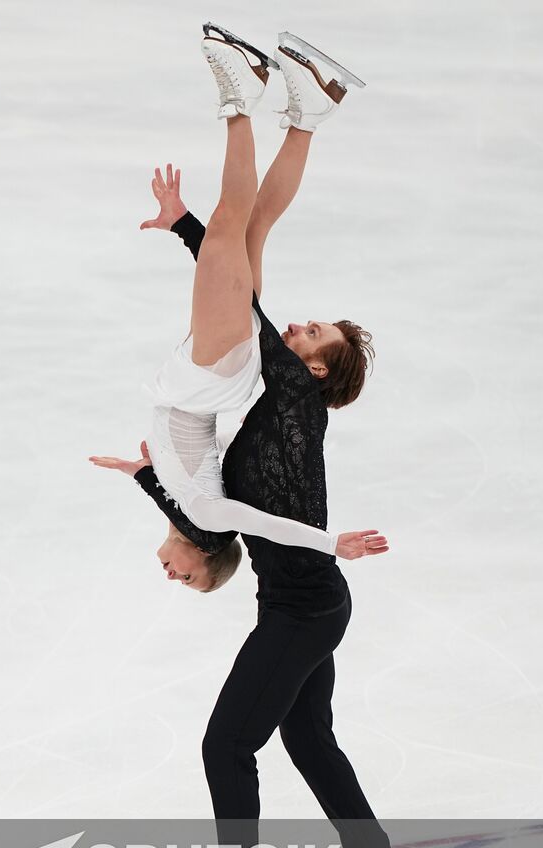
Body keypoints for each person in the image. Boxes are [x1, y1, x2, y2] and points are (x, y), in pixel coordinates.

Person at [101, 23, 399, 848]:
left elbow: (225, 516)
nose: (300, 326)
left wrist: (325, 544)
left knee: (230, 747)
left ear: (312, 373)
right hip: (307, 602)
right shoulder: (286, 398)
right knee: (304, 735)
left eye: (312, 338)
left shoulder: (291, 397)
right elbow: (217, 517)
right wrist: (189, 231)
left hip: (308, 598)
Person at [89, 28, 387, 595]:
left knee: (250, 228)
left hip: (210, 377)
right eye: (189, 579)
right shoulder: (209, 517)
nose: (172, 572)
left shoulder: (194, 506)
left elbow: (166, 495)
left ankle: (309, 113)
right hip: (208, 376)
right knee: (234, 220)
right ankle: (240, 93)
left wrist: (141, 473)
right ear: (209, 560)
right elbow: (256, 523)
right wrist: (331, 544)